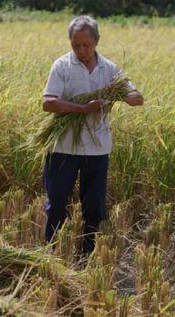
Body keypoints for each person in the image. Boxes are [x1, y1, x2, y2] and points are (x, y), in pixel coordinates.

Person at [42, 15, 143, 255]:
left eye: (86, 45)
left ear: (96, 41)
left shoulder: (109, 69)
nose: (81, 50)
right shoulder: (62, 66)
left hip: (97, 149)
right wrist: (83, 109)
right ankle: (52, 253)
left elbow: (138, 97)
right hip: (63, 148)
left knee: (95, 208)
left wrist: (124, 97)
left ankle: (87, 255)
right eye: (75, 45)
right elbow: (48, 103)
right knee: (56, 205)